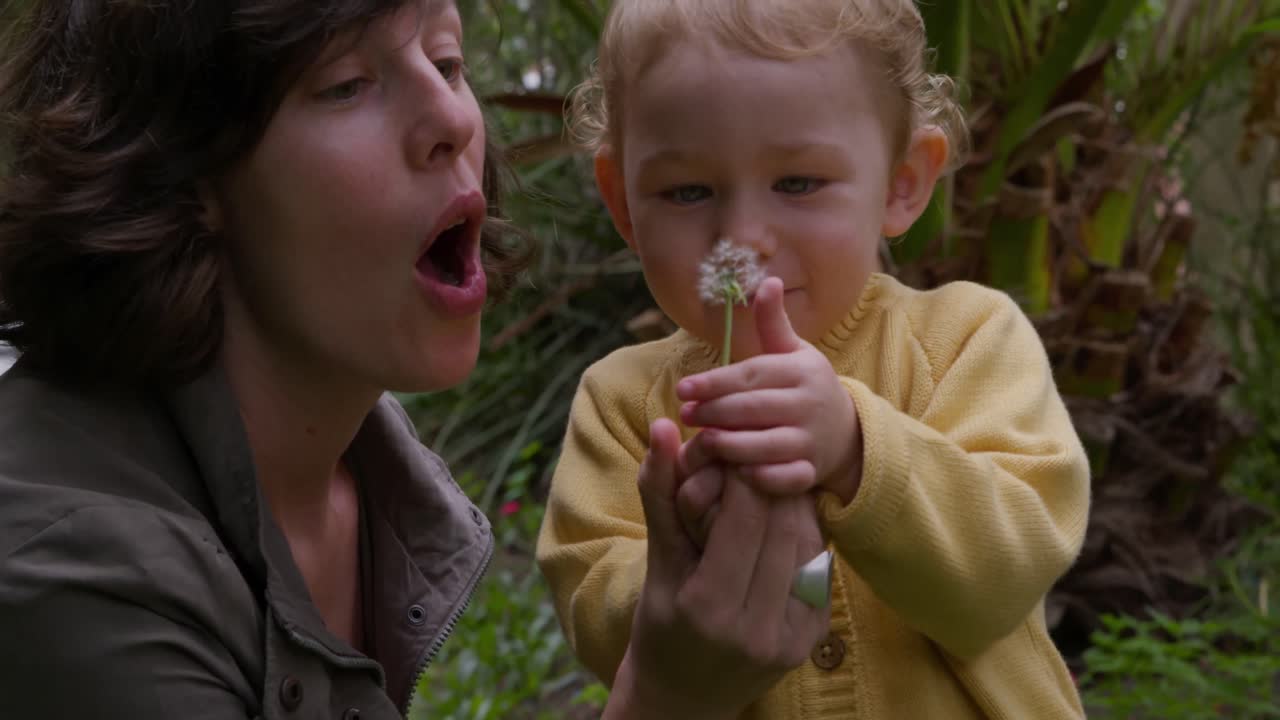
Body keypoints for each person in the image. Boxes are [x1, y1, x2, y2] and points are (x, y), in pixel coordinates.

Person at [0, 1, 831, 718]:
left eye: (447, 58)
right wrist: (670, 695)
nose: (456, 119)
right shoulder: (71, 576)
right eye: (346, 84)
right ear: (186, 176)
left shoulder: (355, 469)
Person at [536, 1, 1093, 718]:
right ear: (624, 206)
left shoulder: (967, 340)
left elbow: (1010, 568)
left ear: (902, 182)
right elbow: (598, 620)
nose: (741, 234)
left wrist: (860, 449)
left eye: (797, 183)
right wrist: (687, 569)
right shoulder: (621, 406)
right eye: (687, 191)